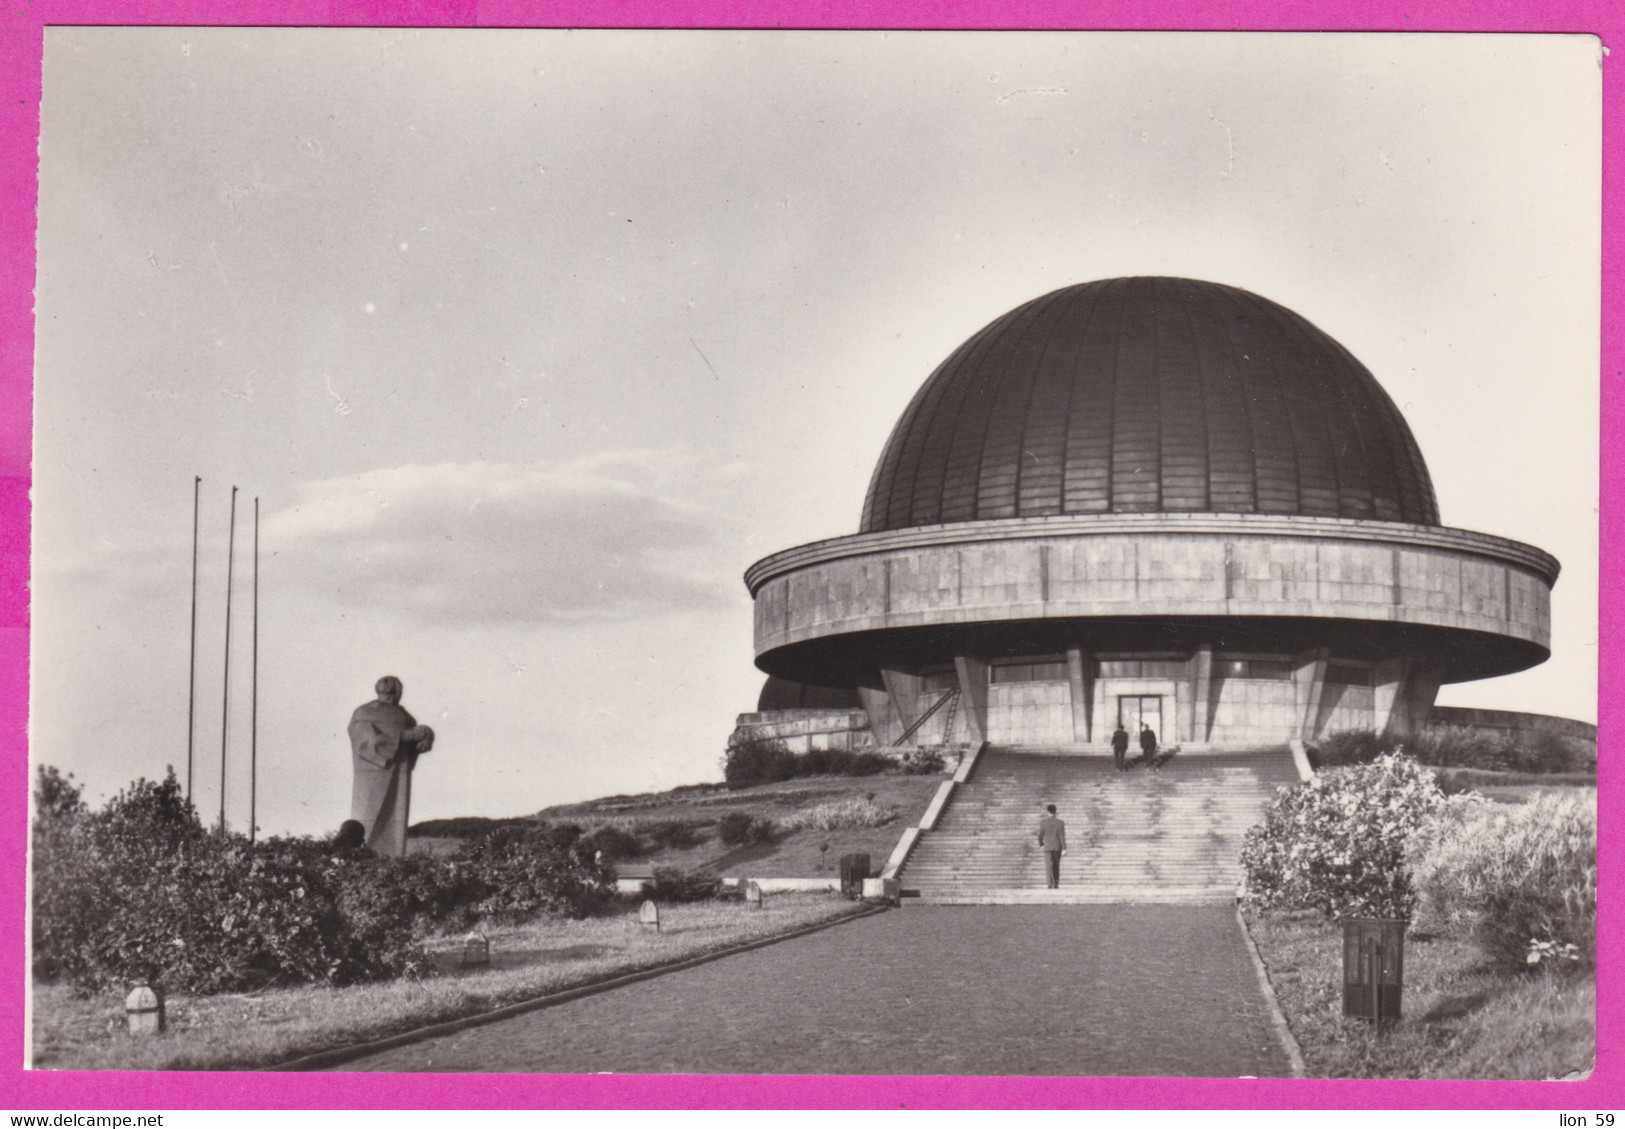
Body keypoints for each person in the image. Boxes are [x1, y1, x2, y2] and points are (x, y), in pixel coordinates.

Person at [348, 675, 435, 857]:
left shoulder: (403, 715)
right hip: (374, 775)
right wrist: (402, 737)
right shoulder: (364, 713)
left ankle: (393, 859)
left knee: (396, 821)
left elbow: (415, 738)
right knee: (368, 820)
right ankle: (364, 856)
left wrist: (427, 734)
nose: (392, 696)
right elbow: (365, 744)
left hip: (399, 774)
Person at [1036, 803, 1067, 889]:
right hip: (1057, 847)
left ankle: (1049, 884)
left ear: (1048, 812)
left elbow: (1040, 835)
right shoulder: (1060, 823)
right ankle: (1056, 884)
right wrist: (1064, 848)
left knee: (1048, 866)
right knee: (1056, 866)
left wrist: (1041, 844)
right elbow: (1062, 836)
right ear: (1055, 812)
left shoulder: (1043, 822)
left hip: (1047, 847)